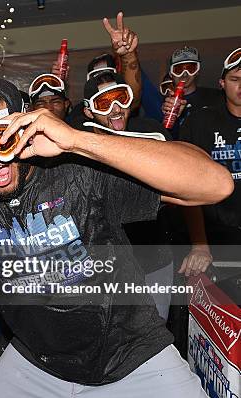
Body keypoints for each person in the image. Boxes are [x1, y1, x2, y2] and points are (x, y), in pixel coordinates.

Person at [0, 77, 232, 398]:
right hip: (36, 366)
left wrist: (76, 140)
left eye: (2, 136)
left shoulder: (75, 169)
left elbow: (215, 185)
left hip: (131, 358)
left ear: (24, 127)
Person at [79, 71, 175, 320]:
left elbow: (186, 190)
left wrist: (199, 245)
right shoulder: (81, 148)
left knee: (156, 334)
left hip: (155, 258)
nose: (115, 108)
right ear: (89, 111)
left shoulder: (151, 134)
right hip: (107, 270)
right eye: (104, 102)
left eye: (120, 97)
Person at [178, 47, 241, 263]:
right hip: (216, 237)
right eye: (235, 79)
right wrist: (200, 245)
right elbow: (188, 186)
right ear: (222, 83)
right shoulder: (199, 122)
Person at [161, 46, 222, 134]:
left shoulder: (216, 97)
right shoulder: (163, 103)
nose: (185, 75)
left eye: (190, 69)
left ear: (197, 71)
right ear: (171, 73)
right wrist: (165, 116)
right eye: (179, 70)